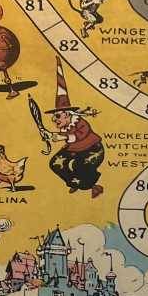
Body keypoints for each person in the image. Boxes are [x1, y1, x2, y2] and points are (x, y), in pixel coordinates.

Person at [46, 58, 104, 197]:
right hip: (75, 150)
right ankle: (74, 182)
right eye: (54, 117)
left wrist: (62, 137)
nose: (54, 119)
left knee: (81, 167)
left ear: (67, 114)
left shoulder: (80, 122)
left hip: (93, 149)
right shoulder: (65, 127)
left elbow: (79, 135)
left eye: (57, 116)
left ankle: (92, 186)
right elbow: (65, 137)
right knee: (55, 163)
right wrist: (50, 135)